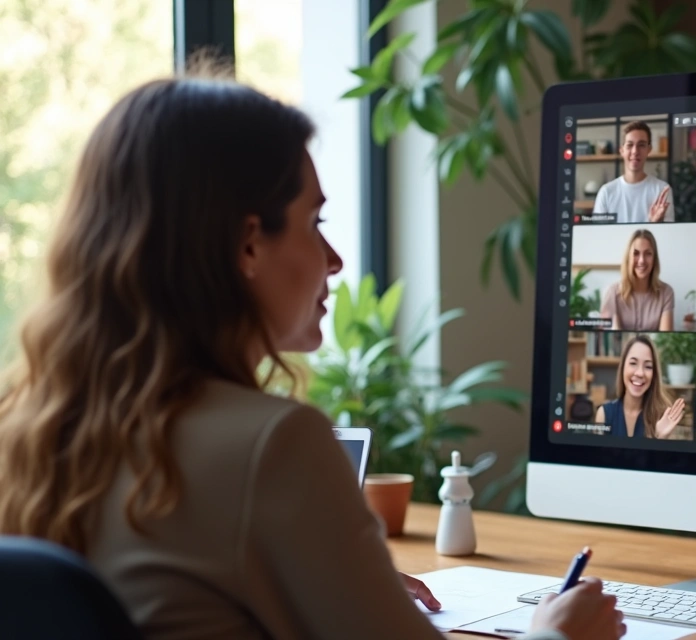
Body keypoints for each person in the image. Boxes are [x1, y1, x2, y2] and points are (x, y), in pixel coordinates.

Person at [0, 62, 624, 640]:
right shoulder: (273, 443)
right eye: (314, 223)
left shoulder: (22, 420)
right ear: (249, 245)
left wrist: (346, 579)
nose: (335, 260)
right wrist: (556, 635)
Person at [594, 335, 686, 438]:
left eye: (648, 366)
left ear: (654, 374)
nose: (640, 373)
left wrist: (659, 438)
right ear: (623, 366)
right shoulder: (604, 414)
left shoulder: (662, 418)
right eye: (633, 363)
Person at [592, 121, 672, 223]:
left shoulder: (662, 191)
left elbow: (668, 232)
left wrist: (656, 223)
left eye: (641, 145)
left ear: (649, 149)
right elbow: (598, 232)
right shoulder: (606, 192)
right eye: (630, 145)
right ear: (622, 150)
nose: (635, 151)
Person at [600, 229, 675, 331]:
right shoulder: (612, 292)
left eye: (648, 253)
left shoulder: (666, 292)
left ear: (654, 259)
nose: (641, 260)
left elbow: (666, 332)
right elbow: (606, 331)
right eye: (636, 253)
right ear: (628, 258)